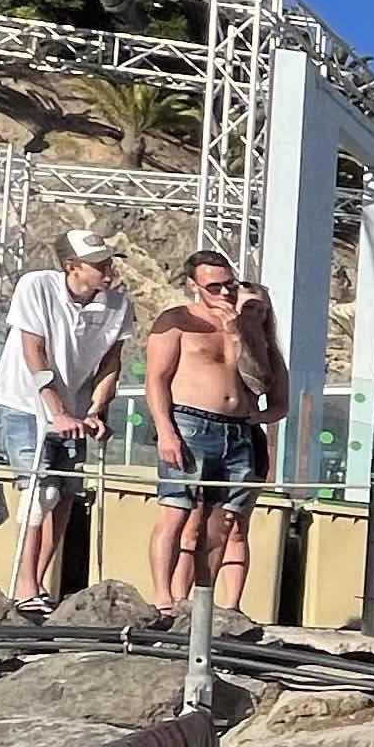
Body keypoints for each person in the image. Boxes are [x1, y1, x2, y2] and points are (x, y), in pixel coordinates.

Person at [0, 231, 131, 616]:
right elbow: (34, 351)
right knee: (39, 493)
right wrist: (56, 411)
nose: (108, 271)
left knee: (65, 494)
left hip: (74, 406)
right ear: (72, 267)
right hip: (24, 403)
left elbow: (110, 363)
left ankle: (39, 581)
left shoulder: (118, 303)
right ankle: (24, 585)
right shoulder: (37, 286)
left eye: (108, 263)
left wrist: (96, 411)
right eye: (98, 265)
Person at [145, 251, 287, 627]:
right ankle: (163, 597)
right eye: (214, 286)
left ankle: (205, 601)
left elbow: (265, 380)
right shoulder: (177, 322)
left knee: (223, 522)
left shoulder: (247, 325)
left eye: (230, 283)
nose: (224, 291)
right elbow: (156, 379)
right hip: (190, 422)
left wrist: (241, 330)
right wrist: (165, 431)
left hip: (238, 427)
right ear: (194, 286)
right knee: (176, 512)